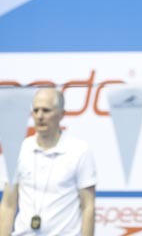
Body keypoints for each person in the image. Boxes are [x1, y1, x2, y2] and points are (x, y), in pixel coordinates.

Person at [0, 88, 96, 236]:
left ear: (61, 114)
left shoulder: (79, 151)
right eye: (36, 110)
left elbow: (88, 206)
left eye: (46, 110)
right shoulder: (18, 150)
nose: (40, 116)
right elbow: (8, 205)